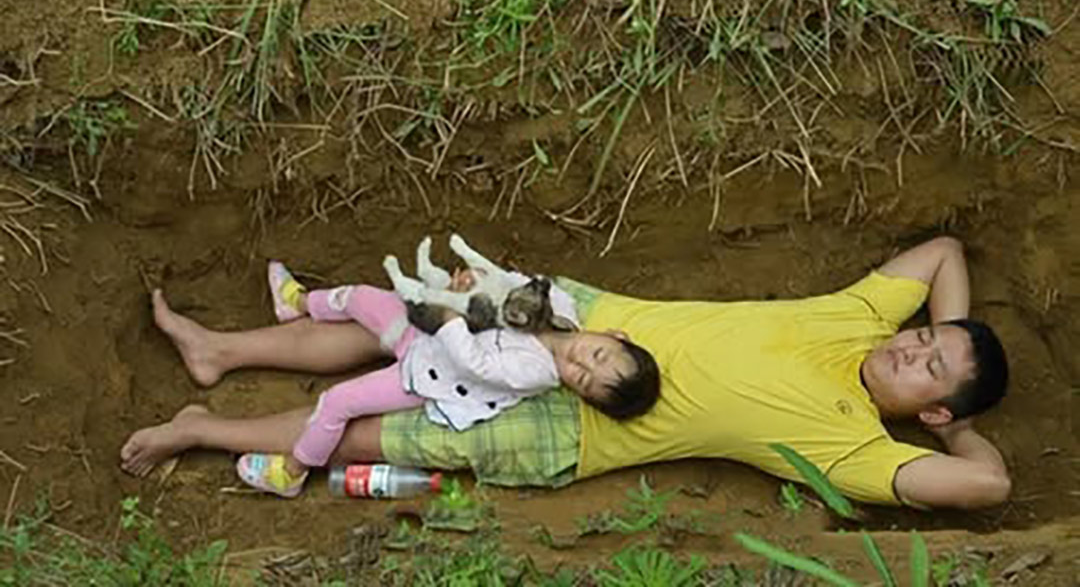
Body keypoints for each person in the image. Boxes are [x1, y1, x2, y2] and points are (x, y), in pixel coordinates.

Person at [120, 236, 1010, 510]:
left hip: (575, 425)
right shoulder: (859, 315)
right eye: (924, 340)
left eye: (929, 369)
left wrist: (960, 430)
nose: (909, 350)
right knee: (409, 320)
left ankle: (202, 431)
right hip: (587, 324)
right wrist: (949, 344)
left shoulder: (851, 447)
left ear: (931, 413)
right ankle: (222, 350)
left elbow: (986, 488)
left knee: (368, 427)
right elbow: (943, 254)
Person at [235, 263, 660, 497]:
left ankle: (293, 471)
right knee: (361, 296)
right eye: (598, 354)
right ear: (614, 334)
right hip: (428, 333)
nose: (579, 364)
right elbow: (512, 282)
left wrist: (452, 319)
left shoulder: (535, 373)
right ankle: (298, 303)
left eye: (583, 381)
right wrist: (476, 281)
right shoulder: (563, 306)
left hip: (430, 375)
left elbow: (476, 365)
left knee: (337, 402)